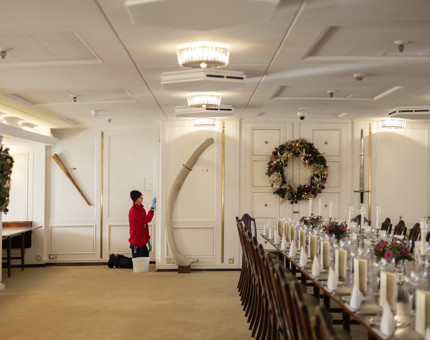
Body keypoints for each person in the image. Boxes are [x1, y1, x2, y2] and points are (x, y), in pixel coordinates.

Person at [108, 190, 156, 268]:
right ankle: (114, 260)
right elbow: (147, 219)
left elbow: (145, 226)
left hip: (142, 241)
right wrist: (152, 208)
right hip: (137, 242)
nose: (142, 198)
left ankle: (118, 258)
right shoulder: (133, 211)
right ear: (136, 199)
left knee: (143, 261)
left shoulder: (142, 209)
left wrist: (148, 239)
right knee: (136, 264)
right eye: (140, 197)